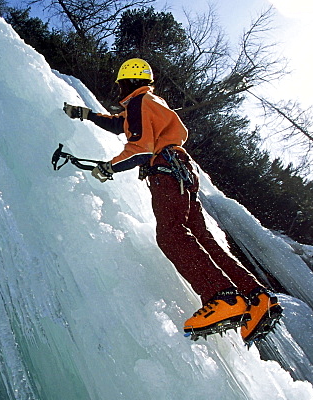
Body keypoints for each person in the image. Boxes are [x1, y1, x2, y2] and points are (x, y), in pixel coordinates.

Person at [62, 58, 282, 343]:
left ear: (129, 82)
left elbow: (141, 149)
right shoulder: (150, 103)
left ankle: (221, 296)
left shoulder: (140, 102)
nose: (118, 89)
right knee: (201, 237)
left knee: (170, 234)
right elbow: (122, 125)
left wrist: (109, 167)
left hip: (167, 170)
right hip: (181, 170)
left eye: (121, 84)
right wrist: (87, 115)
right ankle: (256, 297)